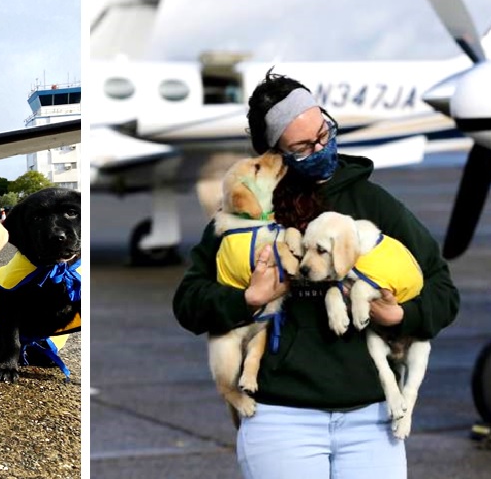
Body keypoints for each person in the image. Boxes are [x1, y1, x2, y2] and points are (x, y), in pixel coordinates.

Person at [172, 71, 459, 479]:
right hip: (280, 419)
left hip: (372, 420)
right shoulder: (249, 215)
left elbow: (443, 290)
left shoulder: (373, 203)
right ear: (275, 154)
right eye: (304, 146)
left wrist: (403, 317)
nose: (321, 147)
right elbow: (187, 303)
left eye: (324, 132)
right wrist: (247, 300)